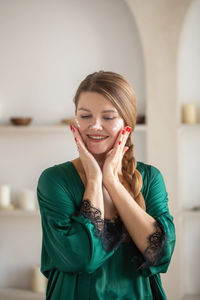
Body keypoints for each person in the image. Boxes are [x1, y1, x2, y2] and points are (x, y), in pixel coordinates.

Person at [37, 71, 176, 300]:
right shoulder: (54, 180)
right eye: (85, 116)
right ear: (75, 120)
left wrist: (111, 182)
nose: (95, 126)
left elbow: (161, 254)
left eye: (108, 117)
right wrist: (94, 179)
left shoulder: (150, 178)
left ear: (126, 124)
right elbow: (82, 258)